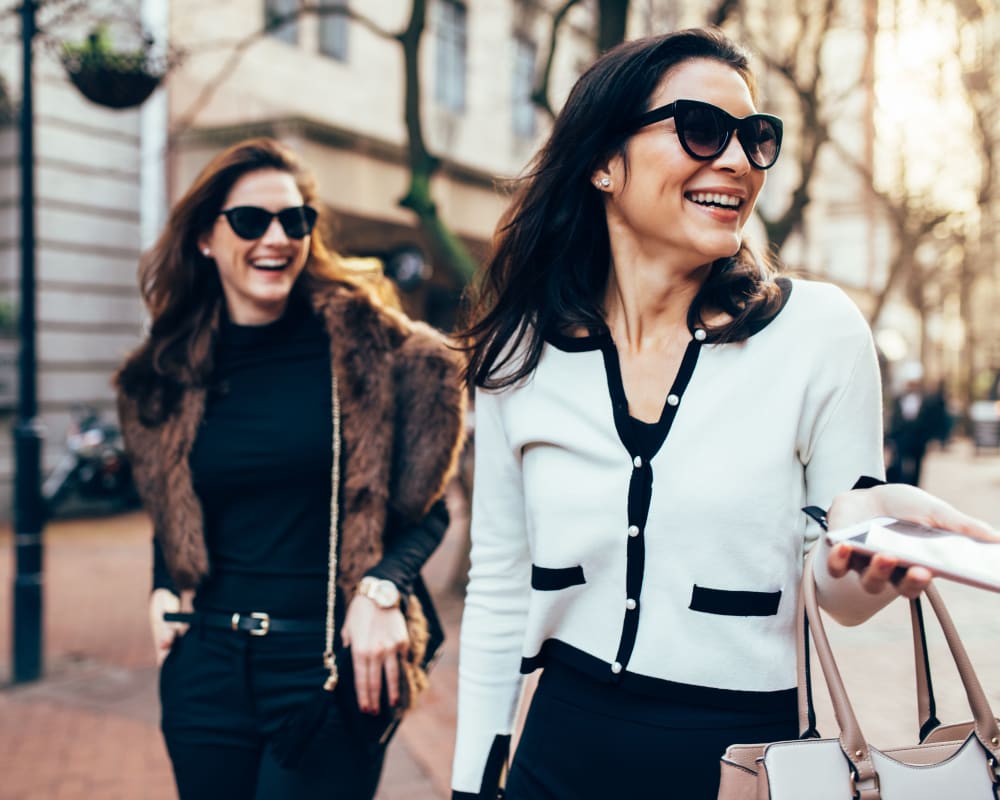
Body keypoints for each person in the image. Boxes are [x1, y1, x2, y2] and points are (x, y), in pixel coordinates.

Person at [450, 28, 988, 800]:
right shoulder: (519, 355)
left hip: (742, 763)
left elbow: (835, 596)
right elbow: (501, 584)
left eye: (755, 138)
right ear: (604, 162)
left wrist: (864, 559)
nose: (736, 160)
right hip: (557, 752)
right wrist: (473, 782)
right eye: (701, 129)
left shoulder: (818, 331)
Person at [115, 138, 465, 800]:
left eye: (295, 220)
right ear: (206, 240)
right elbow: (176, 499)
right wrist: (164, 586)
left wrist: (382, 589)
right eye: (251, 220)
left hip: (327, 670)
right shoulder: (172, 372)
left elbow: (429, 507)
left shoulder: (371, 354)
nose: (277, 237)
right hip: (207, 670)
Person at [886, 361, 946, 485]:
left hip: (919, 440)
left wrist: (933, 439)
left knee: (917, 467)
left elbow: (931, 421)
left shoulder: (927, 400)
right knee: (899, 466)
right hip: (901, 440)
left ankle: (915, 488)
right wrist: (890, 439)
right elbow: (894, 420)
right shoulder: (899, 399)